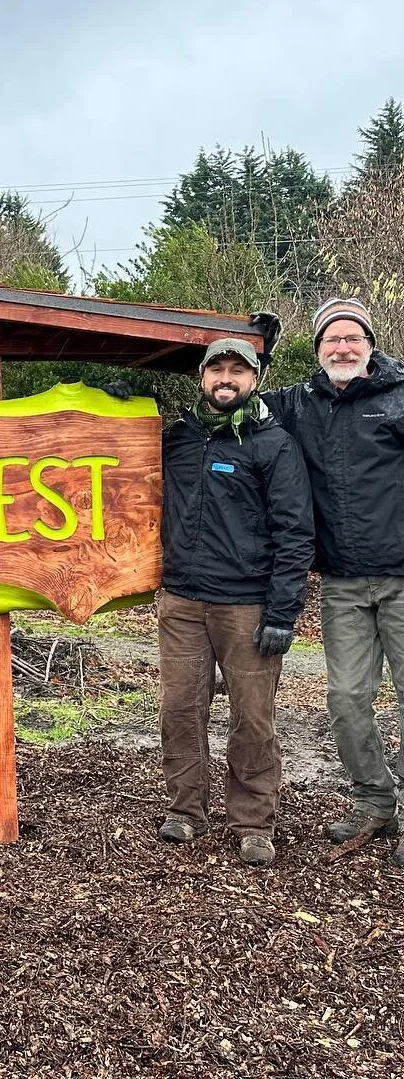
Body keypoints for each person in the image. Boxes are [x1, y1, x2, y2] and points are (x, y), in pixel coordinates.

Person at [157, 338, 313, 867]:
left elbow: (295, 532)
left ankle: (253, 823)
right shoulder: (178, 437)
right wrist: (120, 400)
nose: (226, 379)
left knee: (253, 718)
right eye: (217, 369)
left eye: (237, 371)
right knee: (180, 709)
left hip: (246, 605)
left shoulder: (273, 444)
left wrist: (283, 612)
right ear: (202, 377)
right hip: (181, 601)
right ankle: (186, 810)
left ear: (255, 379)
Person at [264, 299, 404, 867]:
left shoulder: (399, 396)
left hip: (402, 576)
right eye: (331, 339)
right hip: (342, 582)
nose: (342, 347)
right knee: (346, 700)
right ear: (318, 347)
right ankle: (375, 803)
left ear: (371, 343)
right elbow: (235, 400)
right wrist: (257, 347)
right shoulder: (299, 403)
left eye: (352, 338)